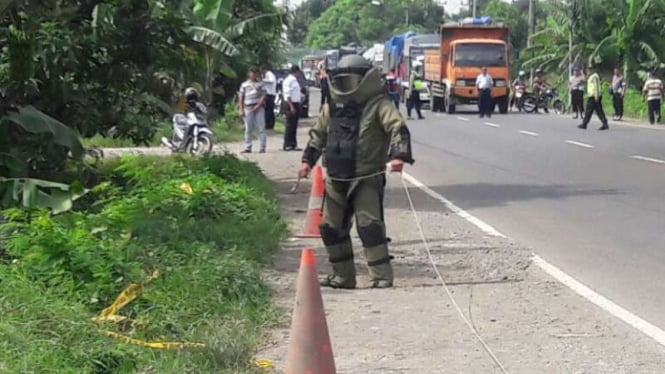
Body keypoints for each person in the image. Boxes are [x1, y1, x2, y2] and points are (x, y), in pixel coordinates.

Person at [298, 54, 415, 289]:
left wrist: (399, 156)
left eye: (351, 80)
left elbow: (398, 129)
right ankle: (343, 276)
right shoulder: (330, 107)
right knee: (331, 229)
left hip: (366, 177)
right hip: (334, 178)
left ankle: (381, 276)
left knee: (369, 226)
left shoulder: (380, 105)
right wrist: (307, 162)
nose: (346, 86)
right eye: (342, 81)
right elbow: (317, 136)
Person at [238, 67, 268, 153]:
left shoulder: (261, 84)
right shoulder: (244, 84)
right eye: (252, 73)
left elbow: (263, 95)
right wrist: (241, 109)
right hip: (248, 107)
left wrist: (258, 105)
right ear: (249, 74)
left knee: (261, 127)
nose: (253, 75)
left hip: (259, 108)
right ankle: (248, 147)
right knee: (248, 128)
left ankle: (262, 147)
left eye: (255, 73)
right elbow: (241, 97)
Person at [578, 64, 609, 130]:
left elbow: (596, 86)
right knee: (599, 110)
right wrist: (582, 73)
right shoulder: (591, 76)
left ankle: (584, 124)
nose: (587, 71)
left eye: (588, 69)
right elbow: (584, 79)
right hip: (593, 95)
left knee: (589, 110)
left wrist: (596, 95)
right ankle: (604, 123)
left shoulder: (594, 76)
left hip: (594, 96)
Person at [282, 65, 303, 151]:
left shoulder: (295, 81)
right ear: (296, 71)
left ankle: (293, 144)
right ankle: (287, 144)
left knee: (294, 125)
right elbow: (287, 94)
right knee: (289, 125)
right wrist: (291, 106)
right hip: (290, 104)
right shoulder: (289, 80)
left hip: (296, 103)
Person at [261, 65, 277, 130]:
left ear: (264, 70)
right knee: (267, 110)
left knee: (269, 110)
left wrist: (263, 80)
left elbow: (271, 81)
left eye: (262, 71)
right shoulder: (266, 75)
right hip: (268, 94)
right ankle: (268, 124)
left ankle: (270, 124)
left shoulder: (269, 74)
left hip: (270, 94)